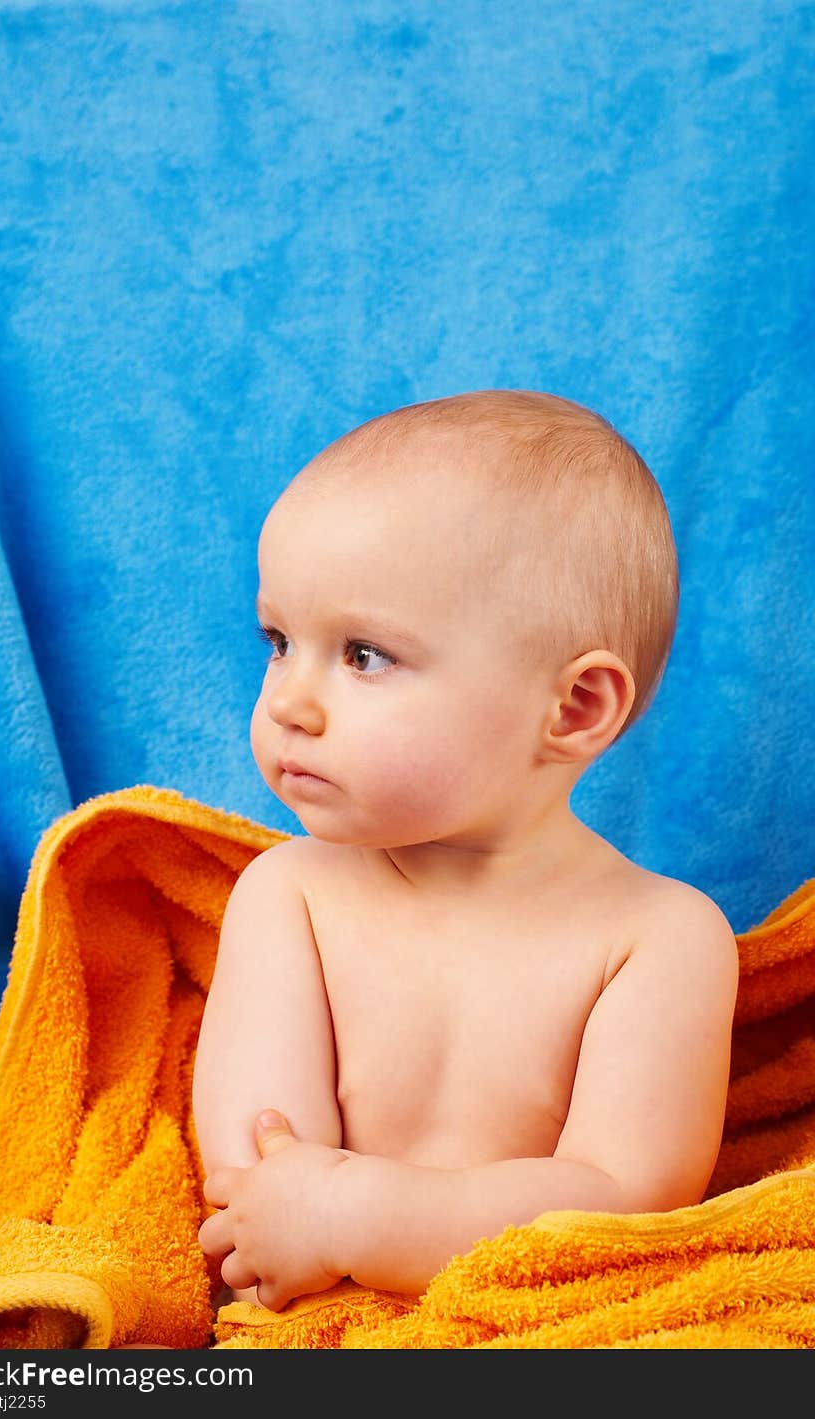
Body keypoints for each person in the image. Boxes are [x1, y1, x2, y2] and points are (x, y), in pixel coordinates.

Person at [192, 388, 739, 1314]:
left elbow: (625, 1200)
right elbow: (264, 1175)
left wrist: (367, 1217)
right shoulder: (289, 895)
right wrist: (319, 1219)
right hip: (322, 1311)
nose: (288, 699)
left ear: (572, 709)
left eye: (364, 654)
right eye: (279, 641)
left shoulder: (660, 938)